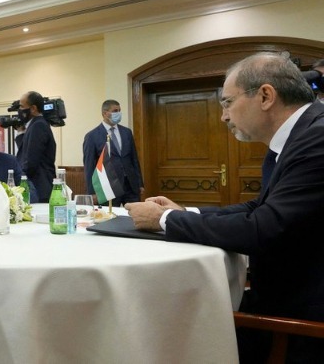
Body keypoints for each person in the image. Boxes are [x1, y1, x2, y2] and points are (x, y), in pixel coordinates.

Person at [124, 53, 324, 363]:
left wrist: (165, 219)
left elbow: (263, 228)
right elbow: (260, 207)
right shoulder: (295, 137)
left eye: (228, 103)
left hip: (300, 323)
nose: (223, 117)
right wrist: (187, 212)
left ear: (266, 96)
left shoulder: (317, 138)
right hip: (282, 295)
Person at [82, 99, 144, 206]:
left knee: (135, 214)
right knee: (111, 215)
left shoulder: (127, 132)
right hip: (108, 187)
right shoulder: (92, 136)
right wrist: (92, 192)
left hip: (130, 185)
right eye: (115, 111)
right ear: (105, 113)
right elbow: (89, 166)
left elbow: (134, 159)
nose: (118, 113)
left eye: (119, 110)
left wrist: (140, 183)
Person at [15, 91, 56, 202]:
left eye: (22, 107)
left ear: (33, 108)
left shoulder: (38, 125)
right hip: (39, 187)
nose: (19, 110)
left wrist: (18, 177)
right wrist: (21, 133)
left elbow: (31, 161)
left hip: (39, 188)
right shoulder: (35, 125)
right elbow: (27, 150)